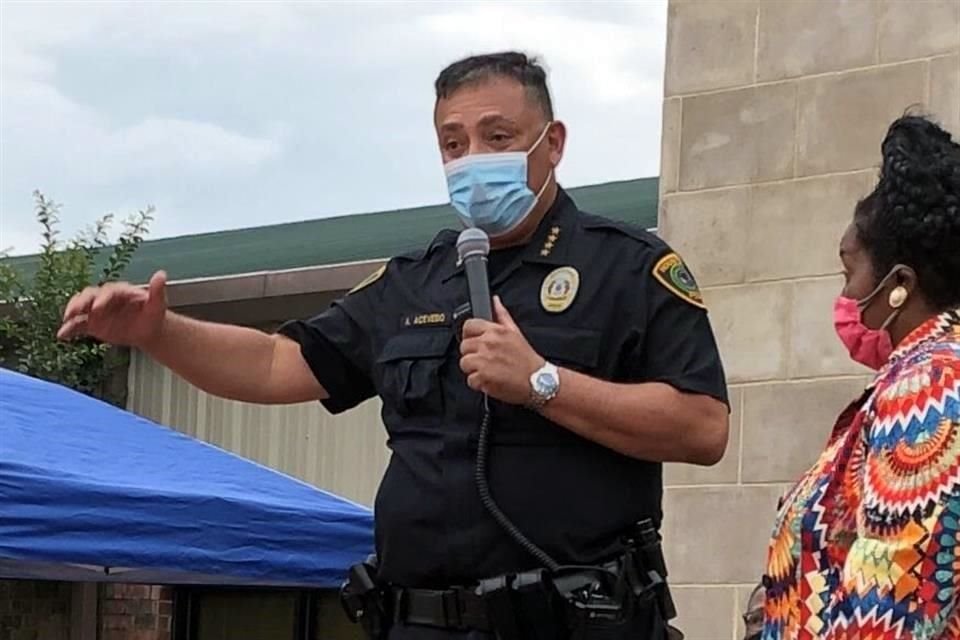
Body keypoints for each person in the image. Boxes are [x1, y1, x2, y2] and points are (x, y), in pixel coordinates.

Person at [58, 52, 730, 639]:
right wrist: (161, 332)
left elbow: (703, 428)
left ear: (552, 143)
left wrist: (543, 382)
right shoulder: (412, 280)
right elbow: (276, 364)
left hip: (577, 622)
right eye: (453, 143)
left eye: (498, 137)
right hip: (418, 620)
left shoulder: (629, 269)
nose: (473, 160)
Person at [761, 114, 960, 640]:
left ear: (899, 284)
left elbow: (895, 604)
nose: (846, 296)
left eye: (850, 272)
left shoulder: (931, 384)